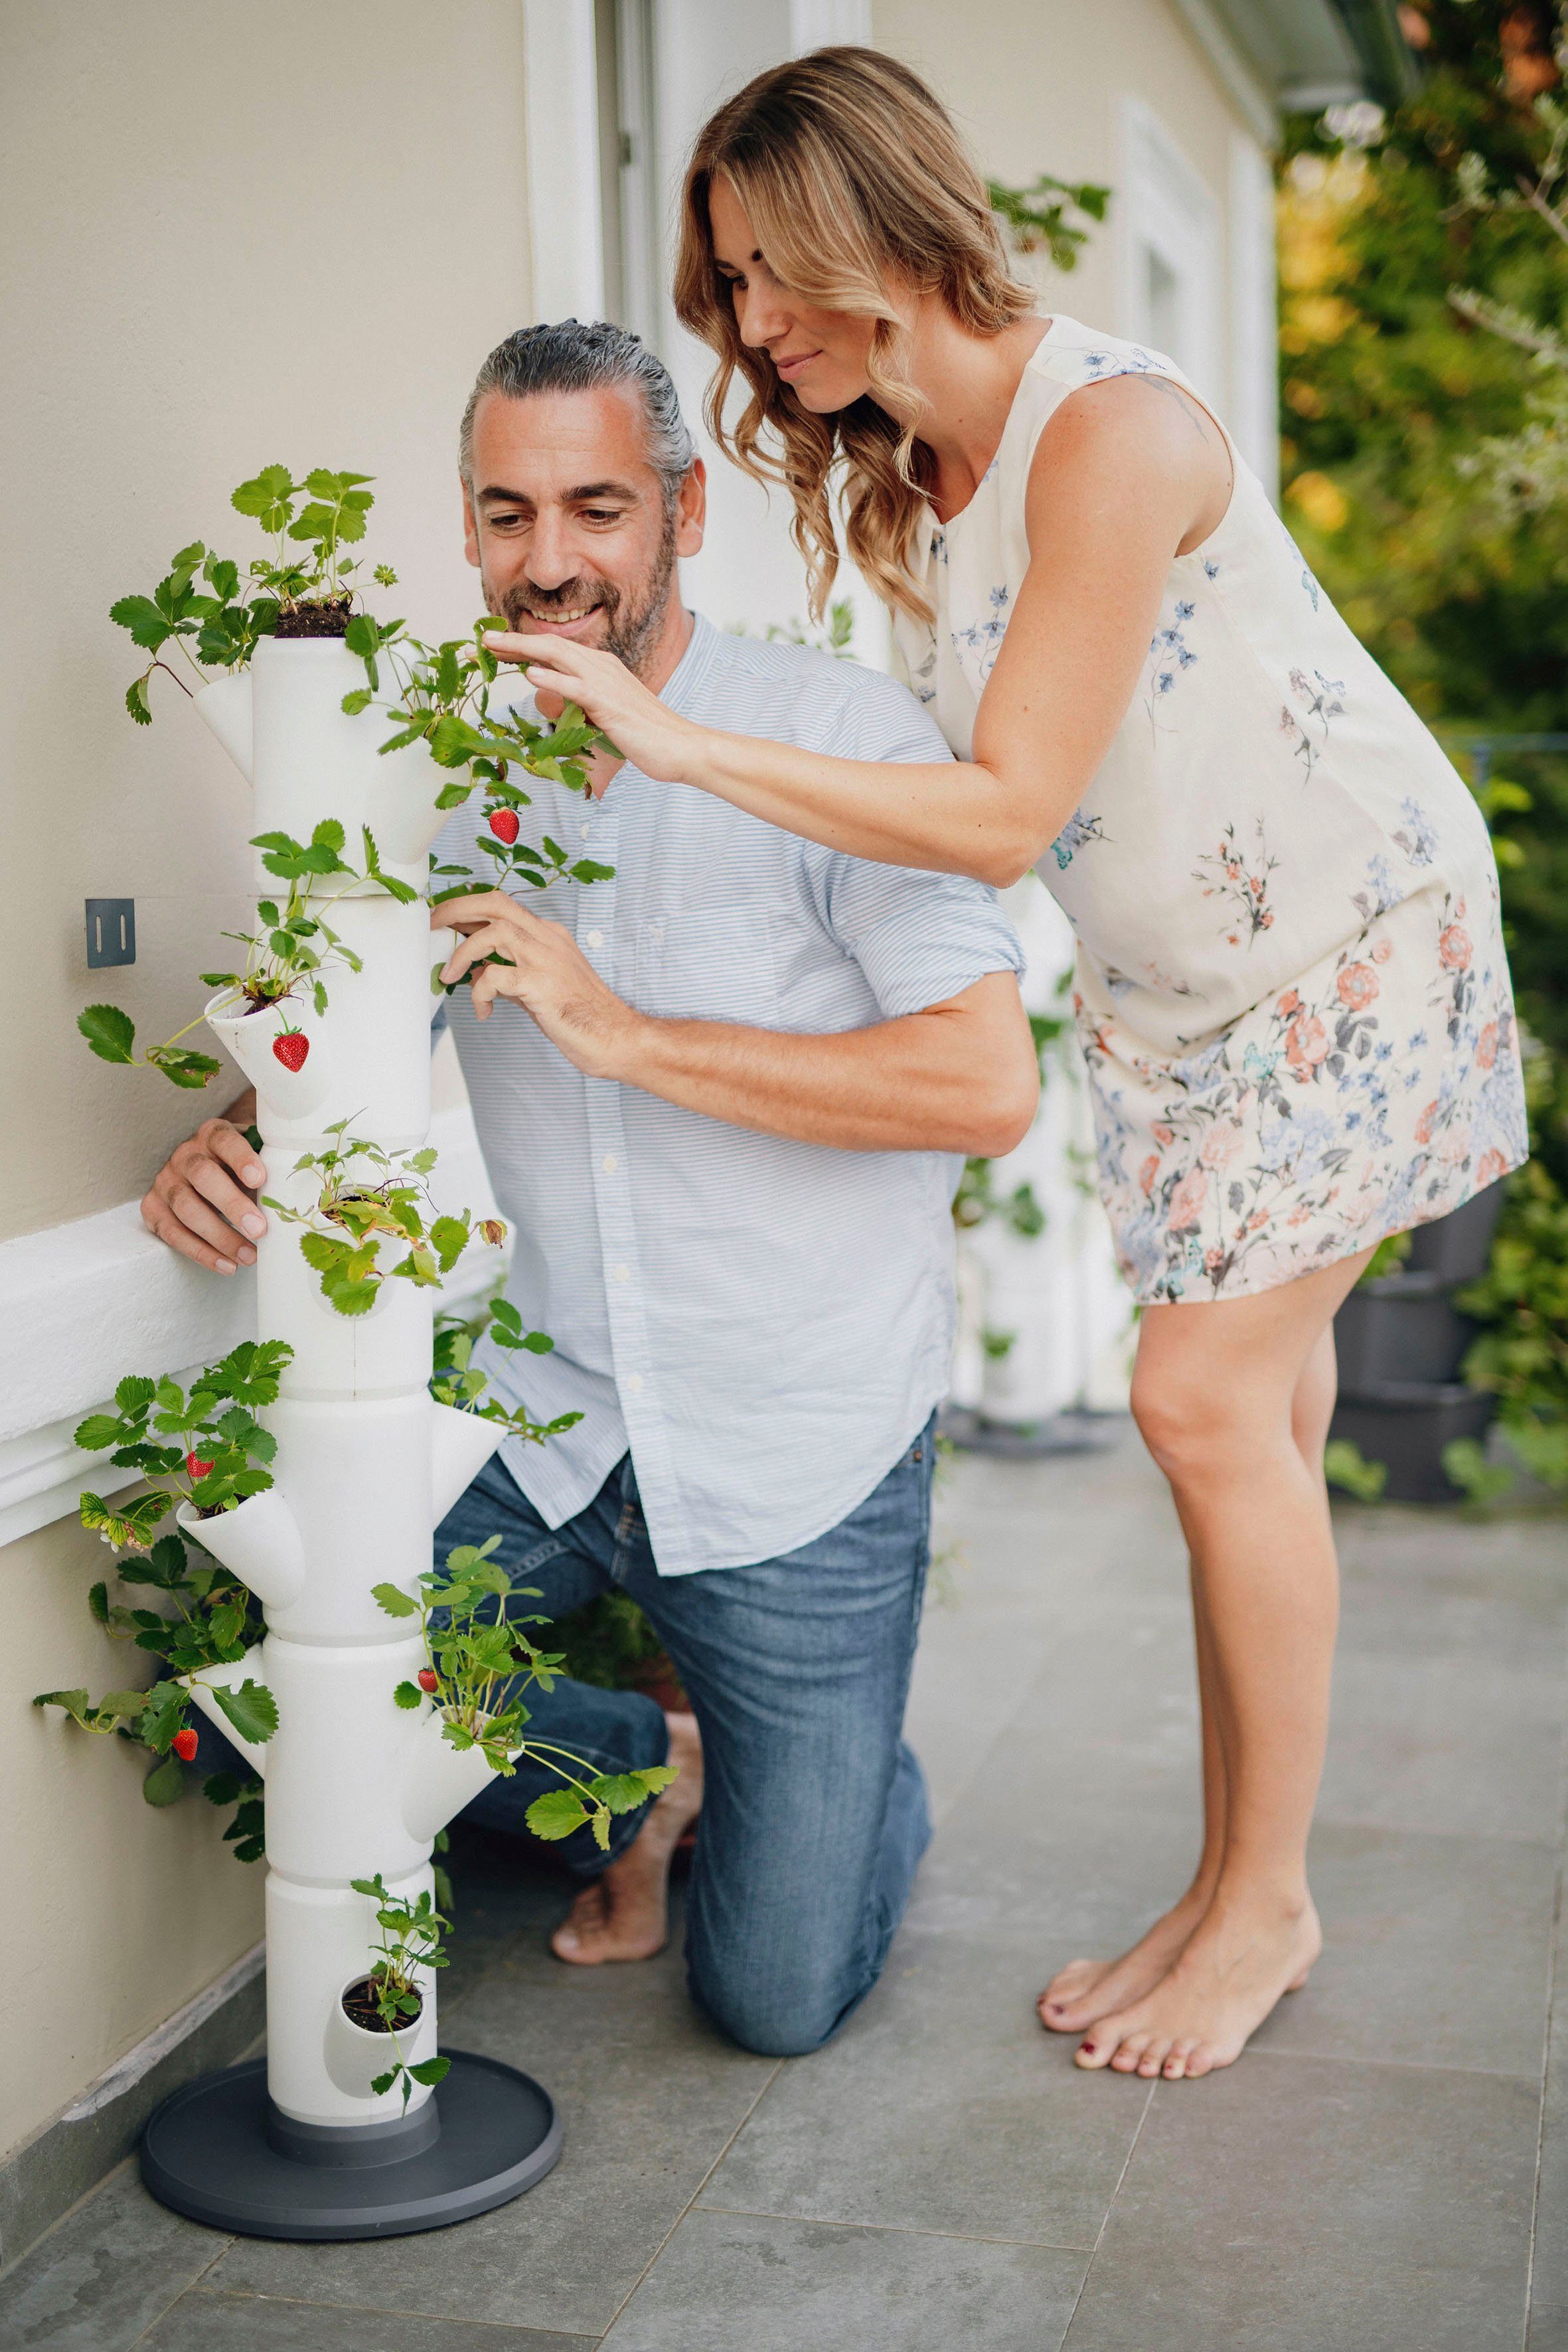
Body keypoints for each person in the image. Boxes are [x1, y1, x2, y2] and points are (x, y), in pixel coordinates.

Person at [477, 49, 1531, 2084]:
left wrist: (674, 739)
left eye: (769, 277)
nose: (755, 332)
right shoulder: (921, 483)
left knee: (1199, 1405)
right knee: (1256, 1439)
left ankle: (1270, 1903)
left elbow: (998, 802)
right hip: (1180, 996)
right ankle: (1233, 1885)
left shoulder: (1108, 432)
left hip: (1344, 940)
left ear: (874, 222)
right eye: (730, 291)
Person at [140, 317, 1038, 2058]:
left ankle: (836, 1786)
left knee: (770, 2002)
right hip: (548, 1424)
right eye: (504, 513)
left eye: (595, 508)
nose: (547, 562)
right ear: (466, 530)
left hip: (800, 1446)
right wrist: (225, 1150)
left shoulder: (833, 737)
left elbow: (982, 1083)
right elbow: (338, 1038)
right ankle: (648, 1767)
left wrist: (623, 1033)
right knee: (296, 1629)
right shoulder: (431, 776)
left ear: (683, 517)